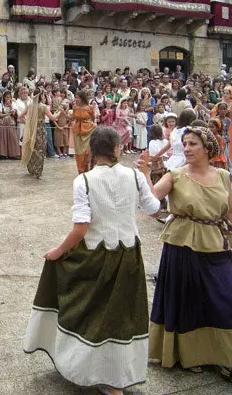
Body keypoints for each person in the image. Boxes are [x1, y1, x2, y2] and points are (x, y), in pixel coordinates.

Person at [23, 127, 161, 395]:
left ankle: (89, 368)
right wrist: (145, 174)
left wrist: (57, 251)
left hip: (95, 256)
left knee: (90, 309)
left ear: (92, 150)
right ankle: (116, 377)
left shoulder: (84, 181)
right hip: (129, 255)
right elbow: (154, 210)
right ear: (117, 148)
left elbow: (81, 228)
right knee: (121, 314)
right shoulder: (133, 176)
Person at [139, 126, 232, 390]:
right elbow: (152, 204)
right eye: (185, 143)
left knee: (225, 299)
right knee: (186, 302)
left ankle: (229, 361)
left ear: (208, 148)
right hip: (181, 246)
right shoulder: (175, 175)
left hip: (215, 244)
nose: (186, 148)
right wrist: (144, 174)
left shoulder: (223, 175)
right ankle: (188, 355)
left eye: (193, 144)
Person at [20, 89, 61, 179]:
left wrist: (28, 123)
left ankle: (31, 169)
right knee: (40, 150)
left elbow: (20, 117)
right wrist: (60, 112)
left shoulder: (30, 105)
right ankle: (38, 171)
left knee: (31, 148)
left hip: (31, 129)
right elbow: (53, 118)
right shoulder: (43, 107)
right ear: (41, 96)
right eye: (44, 96)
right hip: (40, 130)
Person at [72, 90, 97, 172]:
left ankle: (90, 169)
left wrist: (95, 123)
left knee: (88, 151)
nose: (76, 99)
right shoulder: (75, 107)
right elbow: (72, 118)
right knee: (79, 152)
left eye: (77, 98)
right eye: (75, 98)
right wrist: (63, 113)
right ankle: (81, 170)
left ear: (82, 98)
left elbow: (94, 118)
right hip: (77, 131)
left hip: (88, 130)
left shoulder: (90, 107)